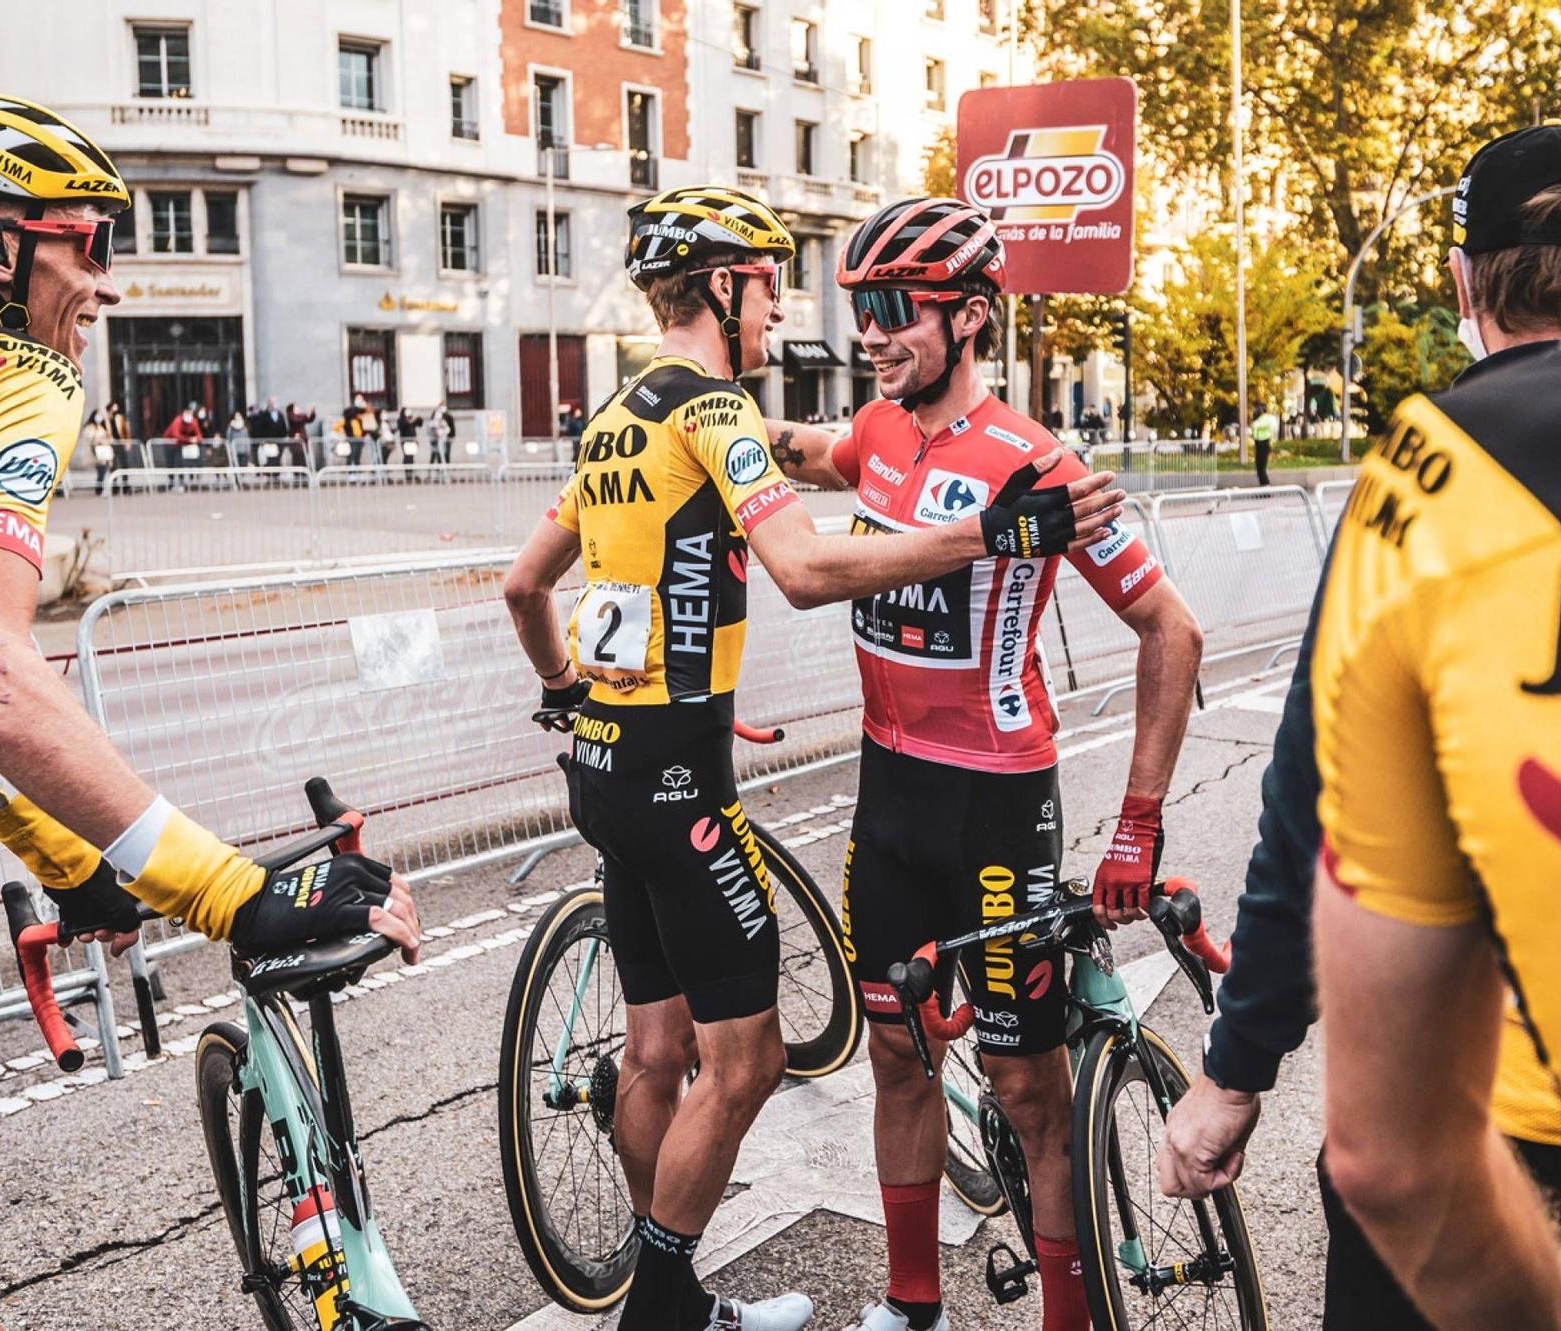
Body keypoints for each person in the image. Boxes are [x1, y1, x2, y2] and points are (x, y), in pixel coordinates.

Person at [0, 89, 423, 1331]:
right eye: (91, 242)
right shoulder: (3, 368)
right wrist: (231, 888)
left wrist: (83, 863)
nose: (106, 285)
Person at [503, 183, 1125, 1331]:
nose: (782, 308)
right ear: (729, 287)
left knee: (652, 1050)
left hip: (607, 757)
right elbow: (797, 566)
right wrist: (991, 530)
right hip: (679, 785)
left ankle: (671, 1293)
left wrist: (586, 693)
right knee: (743, 1062)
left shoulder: (617, 416)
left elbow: (525, 582)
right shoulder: (716, 408)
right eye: (771, 283)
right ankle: (666, 1302)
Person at [1159, 126, 1561, 1331]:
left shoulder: (1420, 486)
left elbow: (1311, 807)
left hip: (1474, 1109)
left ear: (1459, 283)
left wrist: (1234, 1072)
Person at [763, 197, 1204, 1331]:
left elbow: (1173, 631)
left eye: (892, 309)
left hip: (996, 803)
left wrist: (1136, 823)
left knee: (1023, 1086)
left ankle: (1066, 1315)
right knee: (898, 1061)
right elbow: (798, 452)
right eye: (860, 308)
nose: (870, 330)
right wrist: (710, 425)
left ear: (966, 318)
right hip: (886, 797)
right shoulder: (875, 432)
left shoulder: (1039, 464)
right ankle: (913, 1310)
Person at [84, 408, 114, 494]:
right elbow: (90, 438)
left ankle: (101, 488)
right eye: (98, 414)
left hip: (105, 452)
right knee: (101, 470)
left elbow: (110, 438)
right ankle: (99, 489)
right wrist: (99, 439)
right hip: (97, 452)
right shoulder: (90, 427)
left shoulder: (102, 427)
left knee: (105, 470)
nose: (100, 417)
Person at [1250, 405, 1280, 485]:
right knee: (1259, 468)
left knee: (1261, 468)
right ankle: (1263, 487)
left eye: (1256, 409)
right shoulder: (1260, 418)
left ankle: (1265, 487)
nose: (1255, 411)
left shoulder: (1266, 418)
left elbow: (1257, 425)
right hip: (1260, 444)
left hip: (1263, 444)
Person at [426, 402, 454, 466]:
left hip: (443, 442)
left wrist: (443, 431)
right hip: (435, 442)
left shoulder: (444, 421)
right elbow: (431, 430)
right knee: (434, 457)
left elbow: (448, 429)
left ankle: (443, 472)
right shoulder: (432, 423)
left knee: (444, 457)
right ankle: (431, 473)